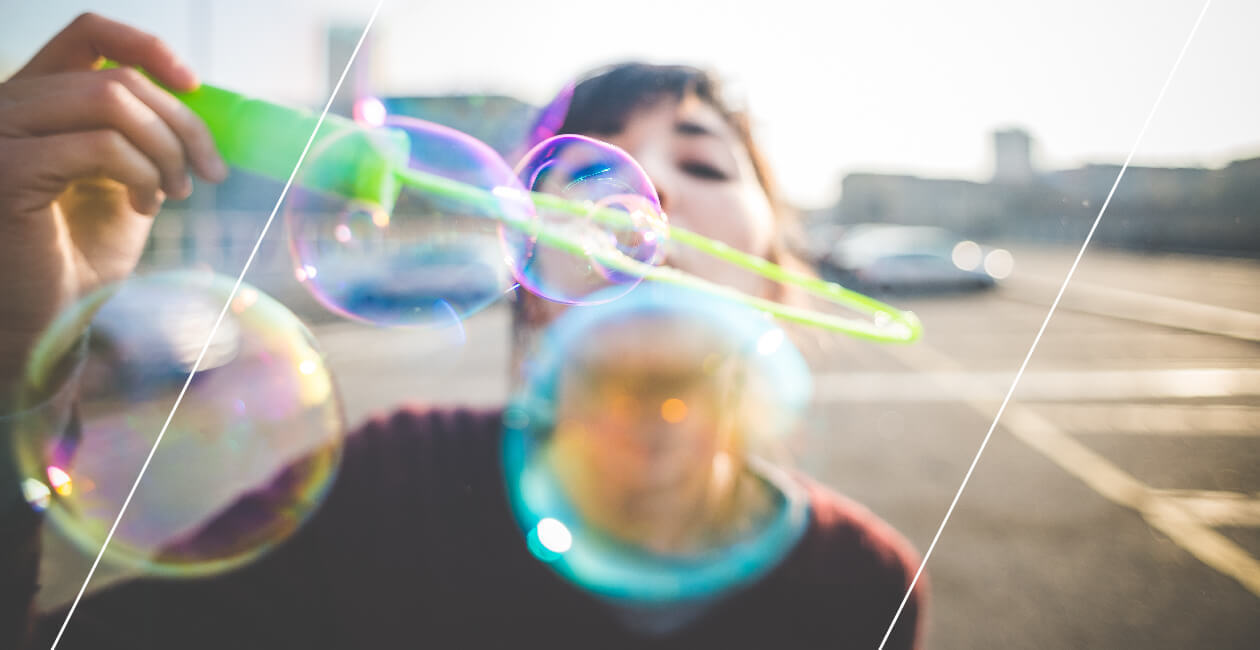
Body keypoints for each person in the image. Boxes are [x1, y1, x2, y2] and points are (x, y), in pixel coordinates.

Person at [0, 13, 927, 649]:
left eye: (698, 159)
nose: (651, 199)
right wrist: (18, 346)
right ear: (528, 277)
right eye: (591, 177)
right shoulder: (387, 489)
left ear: (782, 256)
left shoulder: (860, 586)